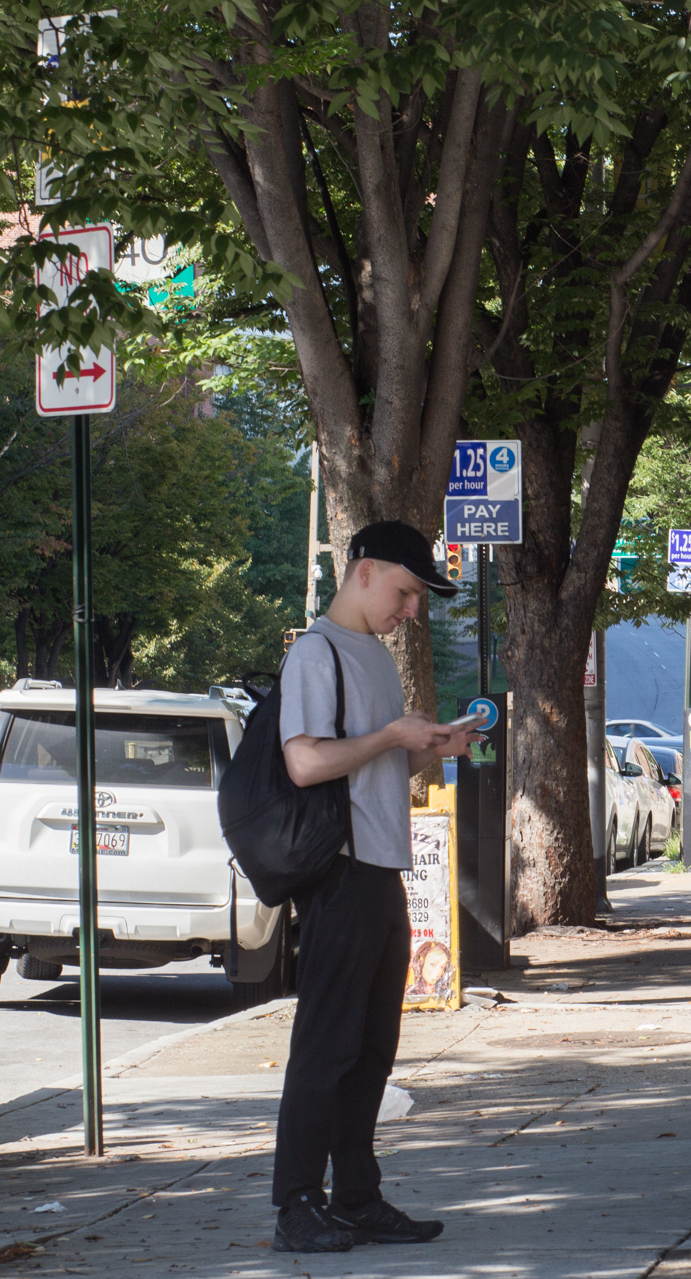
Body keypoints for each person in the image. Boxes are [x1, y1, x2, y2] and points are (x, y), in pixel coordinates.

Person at [270, 520, 473, 1254]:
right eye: (406, 590)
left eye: (417, 596)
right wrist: (392, 736)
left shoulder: (376, 658)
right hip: (339, 873)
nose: (411, 608)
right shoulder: (317, 652)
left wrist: (433, 746)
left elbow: (375, 769)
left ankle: (356, 1194)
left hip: (384, 867)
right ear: (362, 570)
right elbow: (304, 763)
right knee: (326, 1046)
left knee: (371, 1049)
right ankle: (297, 1201)